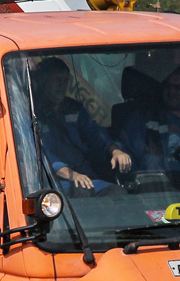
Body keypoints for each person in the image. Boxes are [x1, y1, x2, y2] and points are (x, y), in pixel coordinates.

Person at [31, 58, 132, 197]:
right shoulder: (32, 113)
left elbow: (95, 135)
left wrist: (115, 151)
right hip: (54, 184)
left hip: (85, 177)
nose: (62, 85)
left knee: (117, 193)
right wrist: (71, 174)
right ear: (43, 82)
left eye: (65, 80)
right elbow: (41, 153)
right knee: (82, 191)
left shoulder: (74, 109)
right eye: (57, 80)